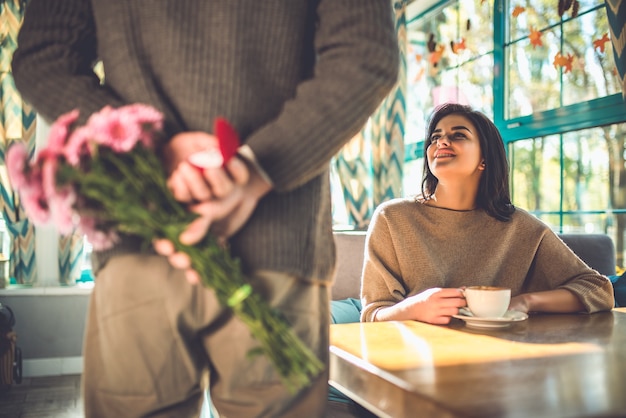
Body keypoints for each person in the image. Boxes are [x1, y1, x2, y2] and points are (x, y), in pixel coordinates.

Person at [12, 1, 399, 417]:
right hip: (277, 247)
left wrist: (150, 150)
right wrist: (253, 170)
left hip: (142, 242)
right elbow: (366, 55)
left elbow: (44, 57)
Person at [360, 103, 615, 324]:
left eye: (458, 135)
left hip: (503, 361)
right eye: (435, 137)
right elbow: (373, 314)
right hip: (415, 361)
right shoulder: (391, 218)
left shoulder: (520, 226)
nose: (441, 142)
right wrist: (414, 308)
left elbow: (599, 290)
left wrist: (524, 302)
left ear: (485, 159)